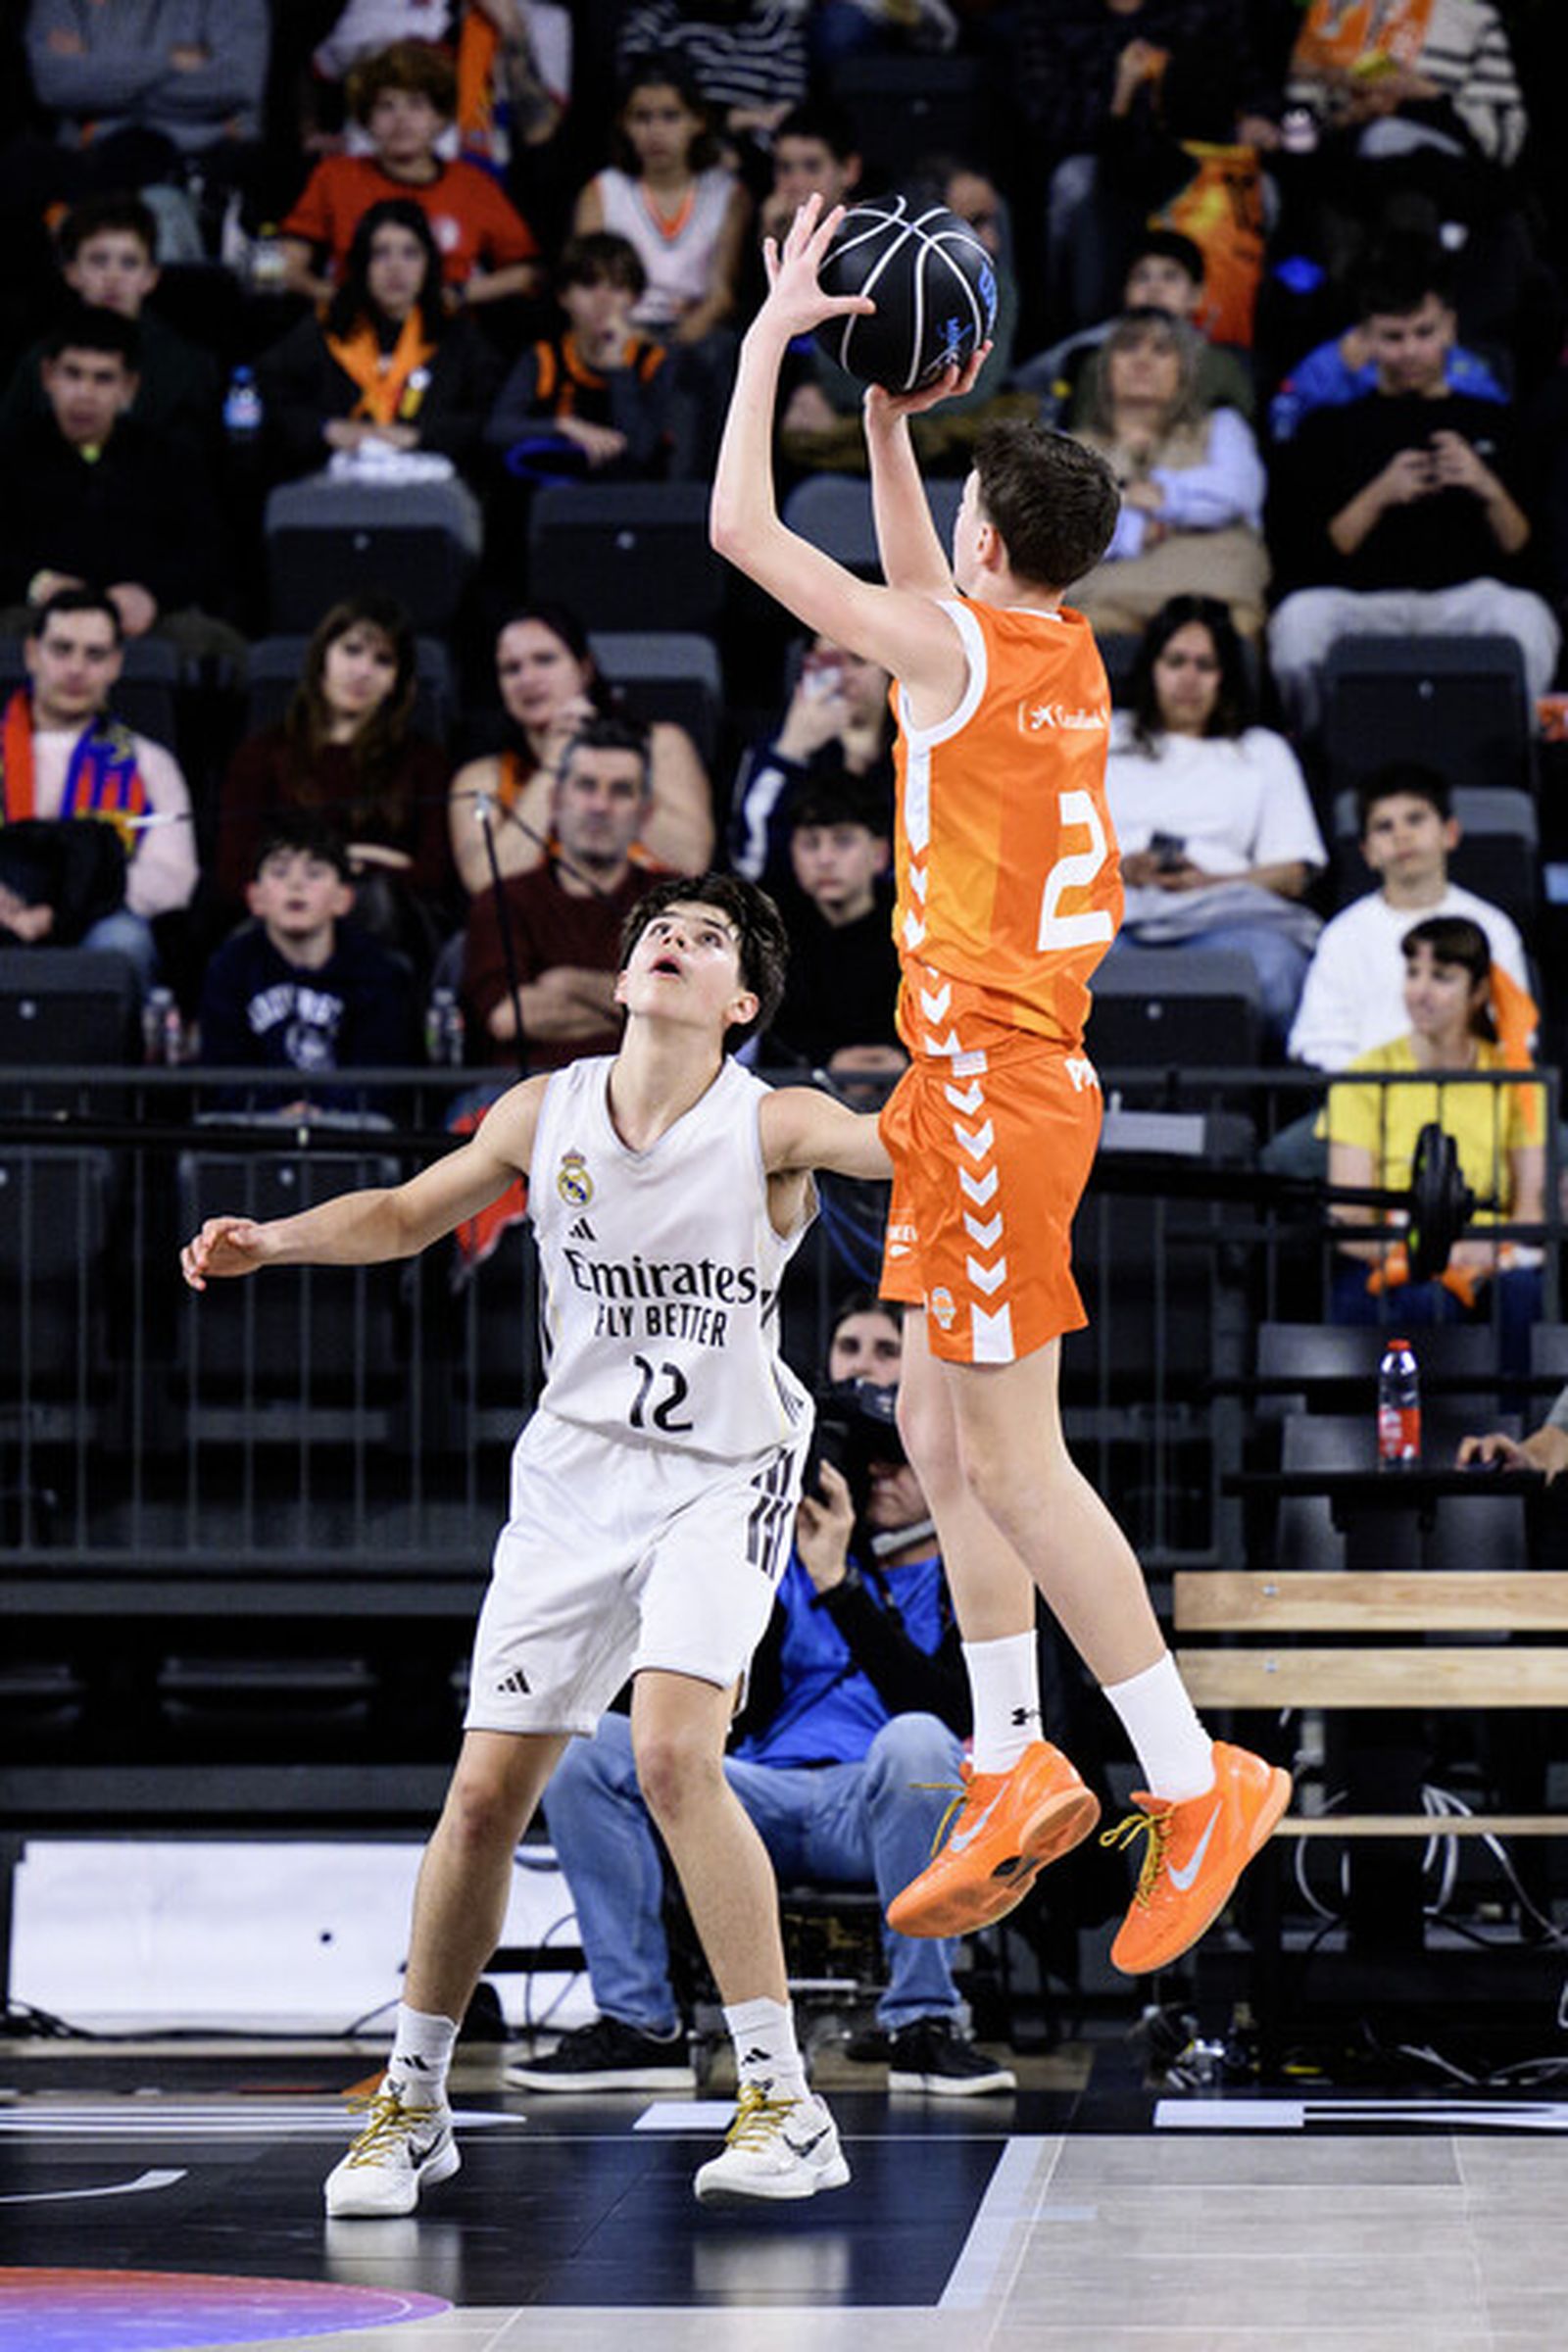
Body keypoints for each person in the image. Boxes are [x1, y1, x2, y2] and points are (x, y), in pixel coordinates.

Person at [709, 193, 1291, 1979]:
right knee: (944, 1440)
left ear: (982, 534)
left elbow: (739, 525)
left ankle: (1195, 1783)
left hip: (986, 1085)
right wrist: (892, 425)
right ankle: (1007, 1755)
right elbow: (930, 594)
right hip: (1012, 1079)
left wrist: (772, 345)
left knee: (1016, 1467)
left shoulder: (958, 653)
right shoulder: (1052, 651)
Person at [181, 869, 896, 2210]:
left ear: (738, 1001)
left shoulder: (775, 1121)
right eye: (659, 934)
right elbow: (403, 1214)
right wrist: (269, 1240)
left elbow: (902, 1143)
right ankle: (414, 2096)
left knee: (679, 1755)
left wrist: (993, 1079)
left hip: (722, 1470)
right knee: (480, 1799)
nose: (677, 943)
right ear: (625, 982)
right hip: (575, 1479)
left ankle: (782, 2100)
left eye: (710, 939)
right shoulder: (543, 1108)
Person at [514, 1295, 1018, 2098]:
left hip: (882, 1799)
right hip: (754, 1793)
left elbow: (957, 1716)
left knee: (919, 1739)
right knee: (589, 1749)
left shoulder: (970, 1569)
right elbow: (733, 1698)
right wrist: (791, 1552)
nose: (878, 1475)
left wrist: (843, 1586)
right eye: (866, 1462)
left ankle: (924, 2021)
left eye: (895, 1463)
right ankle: (639, 2022)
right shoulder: (773, 1550)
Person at [1266, 246, 1560, 734]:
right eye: (1393, 337)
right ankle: (1318, 754)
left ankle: (1509, 755)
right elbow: (1306, 561)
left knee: (1526, 618)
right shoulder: (1328, 429)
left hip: (1465, 603)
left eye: (1425, 333)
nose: (1410, 351)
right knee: (1298, 623)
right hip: (1361, 604)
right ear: (1366, 339)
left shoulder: (1501, 424)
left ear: (1450, 326)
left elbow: (1530, 557)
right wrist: (1378, 494)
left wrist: (1486, 487)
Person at [1098, 593, 1325, 1049]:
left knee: (1277, 972)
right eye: (1176, 661)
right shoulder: (1101, 733)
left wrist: (1210, 882)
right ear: (1152, 668)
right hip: (1113, 915)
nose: (1189, 679)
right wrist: (1119, 869)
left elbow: (1293, 872)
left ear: (1226, 677)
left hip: (1226, 923)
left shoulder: (1262, 750)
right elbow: (1050, 847)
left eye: (1205, 665)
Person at [1322, 914, 1544, 1365]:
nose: (1420, 991)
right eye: (1413, 973)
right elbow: (1349, 1219)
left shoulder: (1517, 1079)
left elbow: (1528, 1212)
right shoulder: (1363, 1077)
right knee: (1422, 1300)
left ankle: (1514, 1433)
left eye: (1441, 977)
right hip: (1390, 1256)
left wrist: (1476, 1252)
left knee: (1522, 1296)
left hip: (1490, 1255)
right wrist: (1431, 1251)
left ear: (1478, 992)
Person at [216, 595, 452, 969]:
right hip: (280, 926)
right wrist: (364, 858)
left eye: (382, 661)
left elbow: (436, 875)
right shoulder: (262, 754)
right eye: (351, 651)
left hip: (388, 927)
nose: (362, 671)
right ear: (322, 658)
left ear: (397, 681)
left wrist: (346, 870)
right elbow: (233, 874)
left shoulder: (425, 761)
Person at [0, 304, 231, 664]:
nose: (85, 394)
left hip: (145, 620)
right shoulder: (13, 454)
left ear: (129, 387)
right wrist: (36, 584)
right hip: (36, 615)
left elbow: (205, 551)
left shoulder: (169, 459)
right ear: (48, 377)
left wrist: (152, 596)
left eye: (103, 378)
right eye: (72, 375)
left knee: (218, 650)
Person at [0, 585, 195, 990]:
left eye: (95, 655)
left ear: (116, 664)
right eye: (62, 649)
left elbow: (172, 875)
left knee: (123, 942)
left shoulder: (149, 763)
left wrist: (71, 906)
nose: (76, 669)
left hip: (101, 919)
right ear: (32, 653)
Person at [446, 605, 712, 897]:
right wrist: (553, 769)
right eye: (512, 669)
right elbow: (486, 888)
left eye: (545, 660)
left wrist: (606, 765)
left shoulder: (660, 743)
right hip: (537, 933)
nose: (527, 679)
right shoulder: (481, 777)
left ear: (585, 669)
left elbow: (691, 862)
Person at [1289, 762, 1530, 1074]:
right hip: (1367, 1105)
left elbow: (1515, 1034)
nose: (1401, 835)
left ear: (1450, 833)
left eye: (1415, 820)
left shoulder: (1492, 927)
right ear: (1367, 852)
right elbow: (1318, 1043)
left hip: (1473, 1100)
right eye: (1384, 827)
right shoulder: (1343, 935)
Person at [461, 715, 665, 1070]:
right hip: (522, 1099)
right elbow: (511, 1017)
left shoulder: (676, 903)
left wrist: (566, 982)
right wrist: (633, 1010)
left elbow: (690, 1013)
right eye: (586, 786)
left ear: (645, 812)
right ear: (554, 800)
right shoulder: (503, 899)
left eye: (620, 791)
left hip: (649, 1100)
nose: (600, 806)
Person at [278, 38, 542, 310]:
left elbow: (528, 273)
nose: (401, 119)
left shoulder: (473, 186)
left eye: (416, 105)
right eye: (386, 106)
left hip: (446, 338)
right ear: (366, 120)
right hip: (351, 335)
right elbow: (282, 264)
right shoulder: (334, 176)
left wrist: (459, 295)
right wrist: (334, 297)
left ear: (440, 118)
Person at [256, 197, 501, 486]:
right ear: (362, 265)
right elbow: (271, 394)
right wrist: (326, 429)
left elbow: (488, 415)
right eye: (381, 254)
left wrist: (419, 435)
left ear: (428, 264)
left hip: (431, 490)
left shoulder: (456, 334)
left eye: (410, 254)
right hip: (332, 484)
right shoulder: (327, 326)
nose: (395, 268)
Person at [1067, 307, 1269, 638]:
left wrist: (1154, 495)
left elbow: (1237, 493)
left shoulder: (1222, 427)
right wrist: (1136, 527)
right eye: (1128, 347)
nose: (1142, 360)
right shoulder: (1070, 448)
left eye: (1161, 350)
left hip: (1214, 603)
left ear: (1184, 370)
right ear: (1106, 367)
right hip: (1101, 606)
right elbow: (1062, 532)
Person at [198, 814, 416, 1108]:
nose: (296, 885)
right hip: (251, 1137)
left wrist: (322, 1113)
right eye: (279, 872)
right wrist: (278, 1111)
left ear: (343, 898)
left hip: (354, 1139)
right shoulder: (229, 968)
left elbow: (381, 1075)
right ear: (255, 897)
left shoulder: (378, 970)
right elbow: (221, 1073)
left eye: (314, 873)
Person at [0, 192, 220, 448]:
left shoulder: (189, 366)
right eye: (98, 261)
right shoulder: (38, 360)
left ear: (150, 278)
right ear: (72, 274)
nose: (113, 277)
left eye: (129, 263)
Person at [571, 56, 750, 356]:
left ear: (698, 121)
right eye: (642, 117)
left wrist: (669, 349)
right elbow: (589, 287)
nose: (655, 131)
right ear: (624, 124)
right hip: (619, 329)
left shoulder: (728, 194)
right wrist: (634, 340)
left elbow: (721, 295)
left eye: (670, 116)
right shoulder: (601, 191)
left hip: (696, 334)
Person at [483, 231, 674, 484]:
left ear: (635, 299)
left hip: (635, 501)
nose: (602, 300)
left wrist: (618, 367)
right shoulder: (544, 358)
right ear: (564, 297)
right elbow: (497, 430)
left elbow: (641, 450)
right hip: (557, 501)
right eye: (588, 285)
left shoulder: (654, 362)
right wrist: (565, 427)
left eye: (617, 288)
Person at [757, 779, 905, 1079]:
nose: (825, 859)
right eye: (811, 844)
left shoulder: (913, 928)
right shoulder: (772, 932)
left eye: (843, 841)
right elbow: (776, 1031)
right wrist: (829, 1060)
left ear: (879, 854)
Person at [729, 630, 894, 884]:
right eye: (829, 664)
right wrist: (789, 752)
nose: (843, 677)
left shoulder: (919, 748)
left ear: (889, 670)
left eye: (858, 661)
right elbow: (752, 863)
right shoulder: (776, 750)